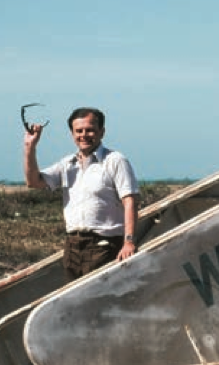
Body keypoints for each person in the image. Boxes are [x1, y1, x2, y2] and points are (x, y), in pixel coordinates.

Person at [24, 106, 140, 280]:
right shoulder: (67, 165)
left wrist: (129, 241)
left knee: (99, 299)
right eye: (79, 131)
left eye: (90, 130)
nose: (84, 135)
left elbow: (130, 201)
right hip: (73, 247)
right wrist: (29, 147)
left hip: (104, 245)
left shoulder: (115, 161)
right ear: (72, 134)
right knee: (75, 303)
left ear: (102, 132)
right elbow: (34, 182)